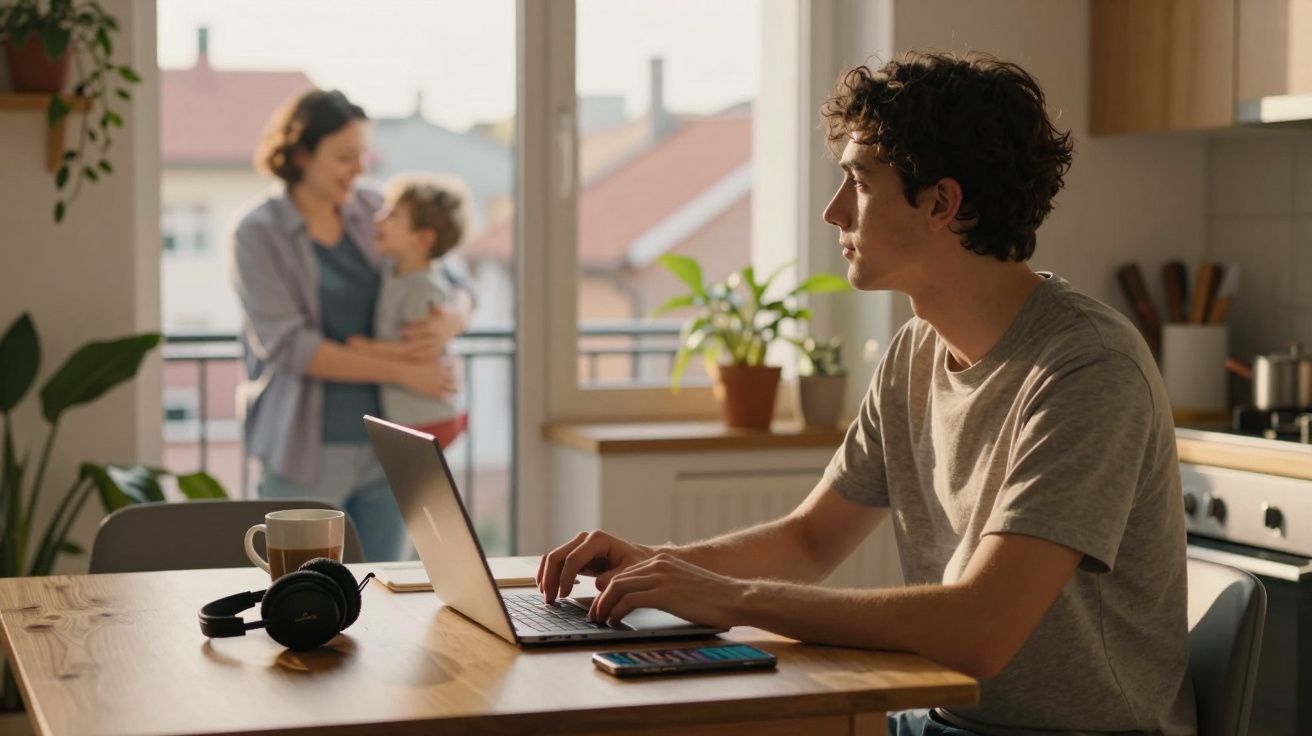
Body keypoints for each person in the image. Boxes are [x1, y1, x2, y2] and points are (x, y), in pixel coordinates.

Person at [536, 52, 1196, 735]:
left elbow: (981, 630)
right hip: (945, 721)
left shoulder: (1087, 367)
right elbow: (810, 539)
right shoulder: (915, 351)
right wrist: (656, 567)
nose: (833, 211)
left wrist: (731, 597)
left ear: (941, 204)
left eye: (858, 182)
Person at [230, 89, 468, 563]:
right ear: (301, 155)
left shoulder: (376, 208)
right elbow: (291, 347)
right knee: (301, 586)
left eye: (361, 154)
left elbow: (457, 278)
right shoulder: (257, 233)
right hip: (306, 450)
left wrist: (453, 319)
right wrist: (405, 371)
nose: (359, 168)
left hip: (391, 443)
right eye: (344, 157)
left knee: (383, 583)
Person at [345, 174, 471, 448]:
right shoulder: (395, 270)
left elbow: (420, 350)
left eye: (392, 215)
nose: (377, 218)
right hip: (416, 415)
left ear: (423, 238)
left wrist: (368, 349)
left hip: (430, 419)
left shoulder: (423, 288)